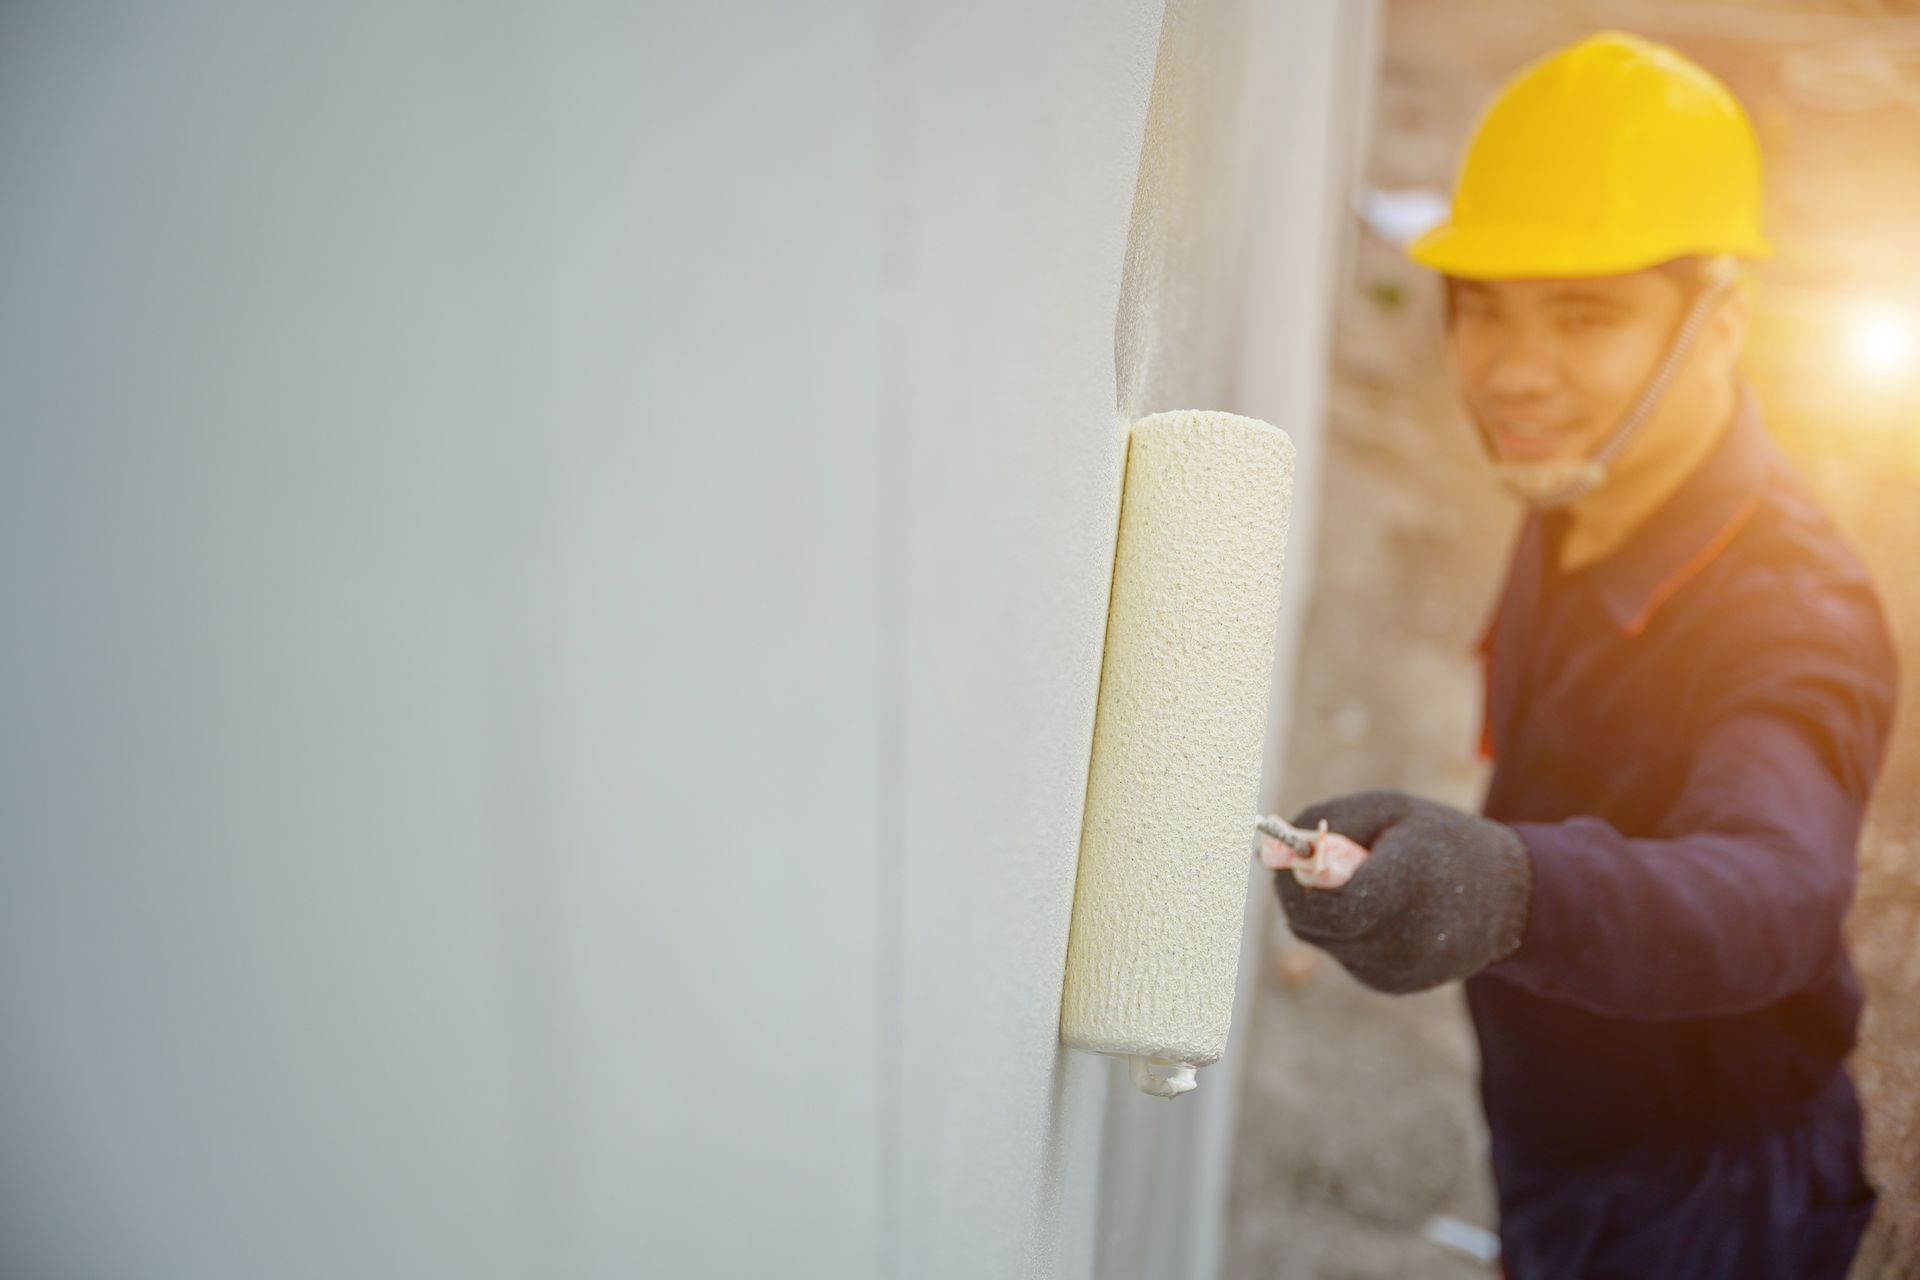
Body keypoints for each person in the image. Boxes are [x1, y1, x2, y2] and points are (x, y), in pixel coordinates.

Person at [1262, 31, 1899, 1280]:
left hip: (1707, 1198)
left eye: (1585, 313)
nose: (1514, 372)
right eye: (1483, 306)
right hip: (1565, 1128)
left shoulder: (1793, 615)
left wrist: (1505, 891)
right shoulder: (1587, 483)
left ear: (1721, 323)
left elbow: (1773, 892)